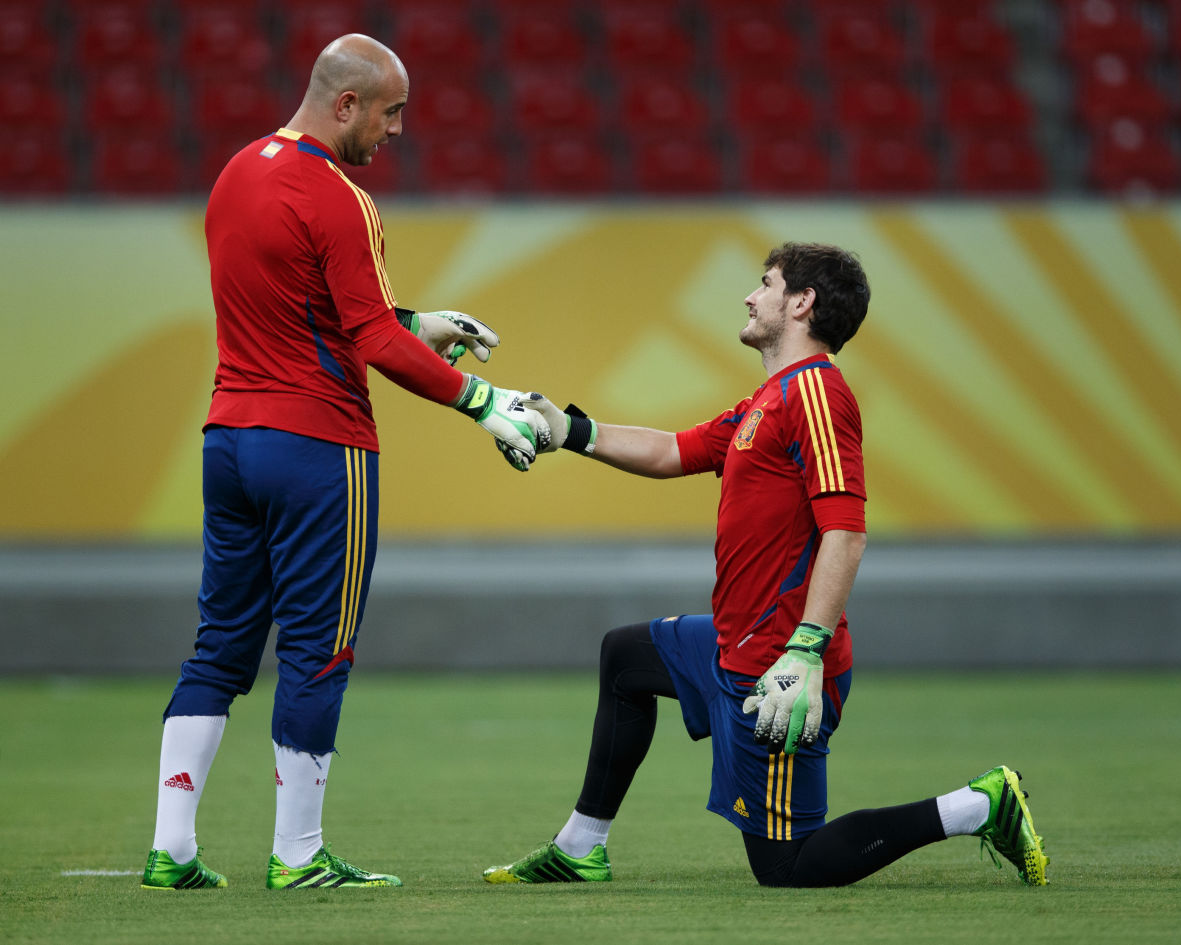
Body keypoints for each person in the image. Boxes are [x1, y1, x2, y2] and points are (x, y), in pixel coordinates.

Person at [483, 242, 1049, 888]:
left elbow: (847, 532)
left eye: (766, 283)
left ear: (802, 303)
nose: (751, 296)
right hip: (731, 644)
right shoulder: (768, 399)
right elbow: (672, 449)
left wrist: (807, 650)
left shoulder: (817, 395)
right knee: (625, 659)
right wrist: (571, 432)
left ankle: (979, 804)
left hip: (778, 667)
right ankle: (580, 845)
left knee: (788, 864)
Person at [141, 34, 549, 891]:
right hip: (318, 448)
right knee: (319, 652)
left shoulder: (238, 171)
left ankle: (171, 847)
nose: (397, 131)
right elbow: (367, 339)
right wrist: (483, 403)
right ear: (346, 104)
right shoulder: (342, 195)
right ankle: (297, 855)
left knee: (218, 649)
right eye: (391, 112)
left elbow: (310, 305)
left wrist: (417, 318)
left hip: (230, 440)